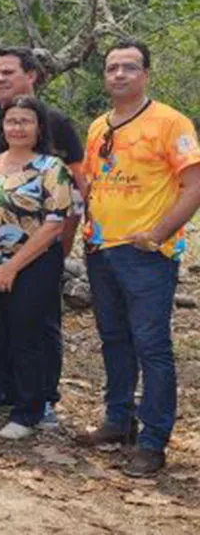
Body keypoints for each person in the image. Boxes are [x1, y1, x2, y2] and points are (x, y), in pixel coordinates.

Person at [76, 40, 200, 477]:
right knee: (114, 340)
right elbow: (91, 184)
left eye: (129, 67)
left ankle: (152, 441)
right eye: (112, 68)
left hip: (147, 254)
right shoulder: (98, 127)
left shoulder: (170, 122)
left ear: (146, 73)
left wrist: (159, 232)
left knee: (152, 346)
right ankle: (118, 420)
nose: (119, 75)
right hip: (102, 249)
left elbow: (193, 185)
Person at [0, 46, 84, 427]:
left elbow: (55, 221)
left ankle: (30, 410)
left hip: (30, 263)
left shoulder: (52, 168)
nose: (16, 128)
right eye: (11, 122)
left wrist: (14, 266)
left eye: (24, 123)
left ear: (39, 128)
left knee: (28, 337)